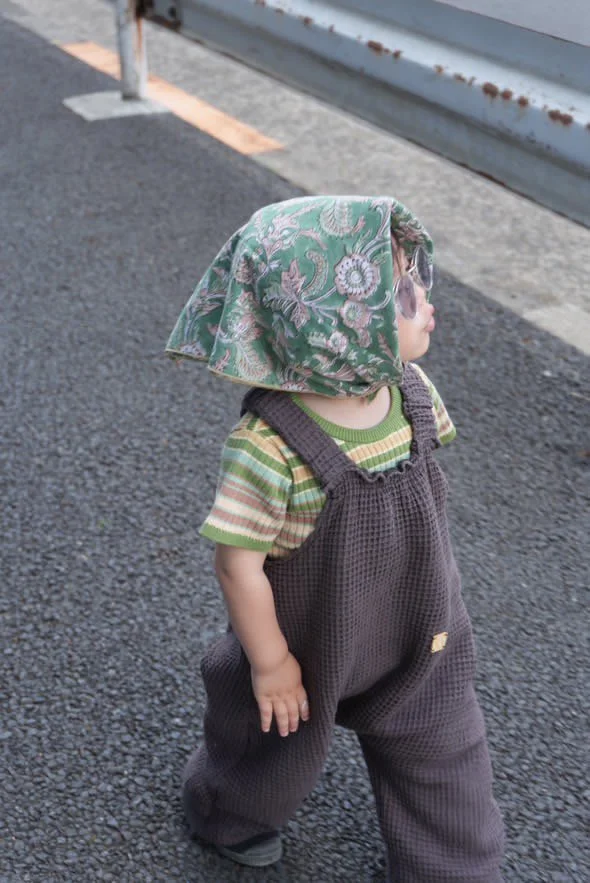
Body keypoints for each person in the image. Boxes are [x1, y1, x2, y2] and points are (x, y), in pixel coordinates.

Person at [166, 195, 505, 881]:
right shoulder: (270, 446)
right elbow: (238, 564)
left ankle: (454, 869)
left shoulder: (412, 394)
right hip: (307, 640)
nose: (426, 301)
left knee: (447, 752)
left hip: (420, 625)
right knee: (267, 739)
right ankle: (229, 811)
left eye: (418, 280)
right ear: (339, 325)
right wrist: (269, 662)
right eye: (403, 293)